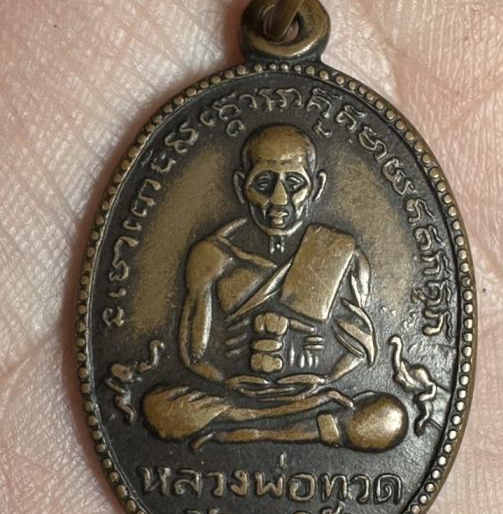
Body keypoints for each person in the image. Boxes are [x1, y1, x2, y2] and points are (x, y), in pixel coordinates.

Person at [143, 124, 407, 451]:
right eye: (264, 184)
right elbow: (193, 354)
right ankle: (272, 422)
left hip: (314, 395)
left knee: (390, 417)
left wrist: (324, 381)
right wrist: (227, 381)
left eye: (294, 184)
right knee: (157, 408)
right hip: (235, 398)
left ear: (316, 188)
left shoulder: (341, 253)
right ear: (241, 186)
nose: (279, 200)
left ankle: (256, 428)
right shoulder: (214, 255)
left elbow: (360, 349)